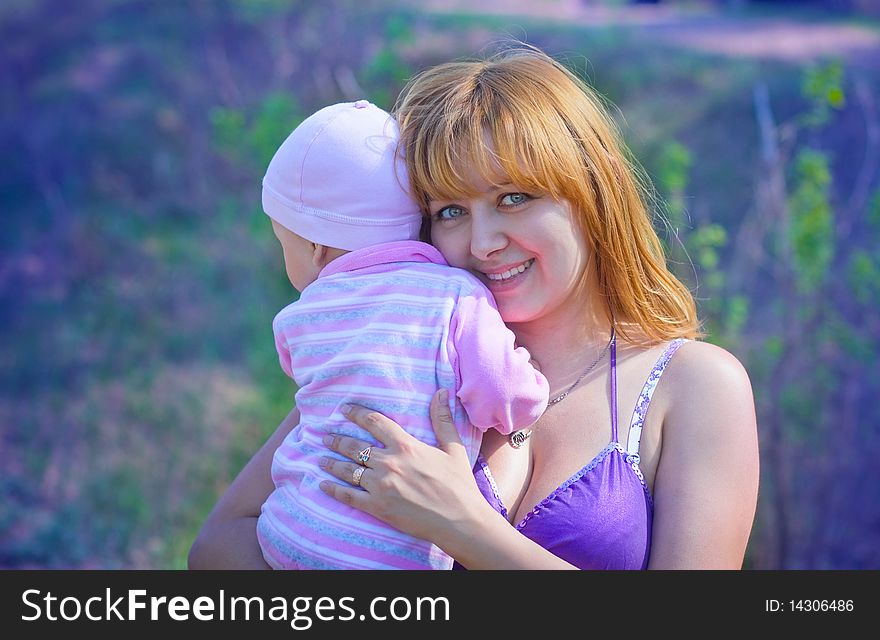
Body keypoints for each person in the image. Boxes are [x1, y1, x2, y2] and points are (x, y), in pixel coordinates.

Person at [189, 46, 759, 570]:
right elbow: (217, 548)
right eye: (450, 211)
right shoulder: (401, 354)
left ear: (591, 195)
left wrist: (464, 526)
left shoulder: (695, 387)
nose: (484, 241)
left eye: (514, 198)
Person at [252, 100, 549, 570]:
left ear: (313, 247)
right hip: (385, 556)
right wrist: (529, 398)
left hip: (286, 531)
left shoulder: (299, 316)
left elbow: (305, 377)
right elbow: (500, 389)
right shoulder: (455, 295)